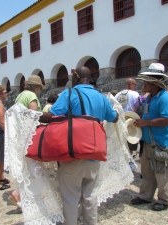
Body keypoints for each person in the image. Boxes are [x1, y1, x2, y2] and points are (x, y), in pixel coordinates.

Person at [39, 66, 118, 225]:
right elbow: (114, 118)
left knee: (70, 197)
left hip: (73, 153)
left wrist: (30, 115)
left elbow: (52, 116)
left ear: (75, 78)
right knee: (90, 195)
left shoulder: (69, 94)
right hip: (95, 153)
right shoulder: (102, 97)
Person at [131, 63, 168, 211]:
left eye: (147, 81)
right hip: (149, 141)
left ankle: (164, 199)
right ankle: (145, 196)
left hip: (162, 142)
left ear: (155, 82)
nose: (145, 84)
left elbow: (167, 119)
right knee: (147, 171)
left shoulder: (165, 98)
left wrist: (145, 122)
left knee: (162, 172)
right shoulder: (151, 97)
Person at [8, 75, 46, 207]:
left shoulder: (20, 96)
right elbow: (33, 114)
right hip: (30, 135)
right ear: (37, 87)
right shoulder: (31, 97)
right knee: (33, 165)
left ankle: (22, 193)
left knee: (26, 165)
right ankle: (20, 193)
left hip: (20, 134)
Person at [115, 78, 140, 158]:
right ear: (130, 85)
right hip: (130, 121)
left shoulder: (117, 95)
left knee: (121, 142)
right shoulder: (135, 94)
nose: (135, 86)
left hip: (119, 121)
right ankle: (130, 157)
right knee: (131, 140)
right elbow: (137, 107)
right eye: (135, 84)